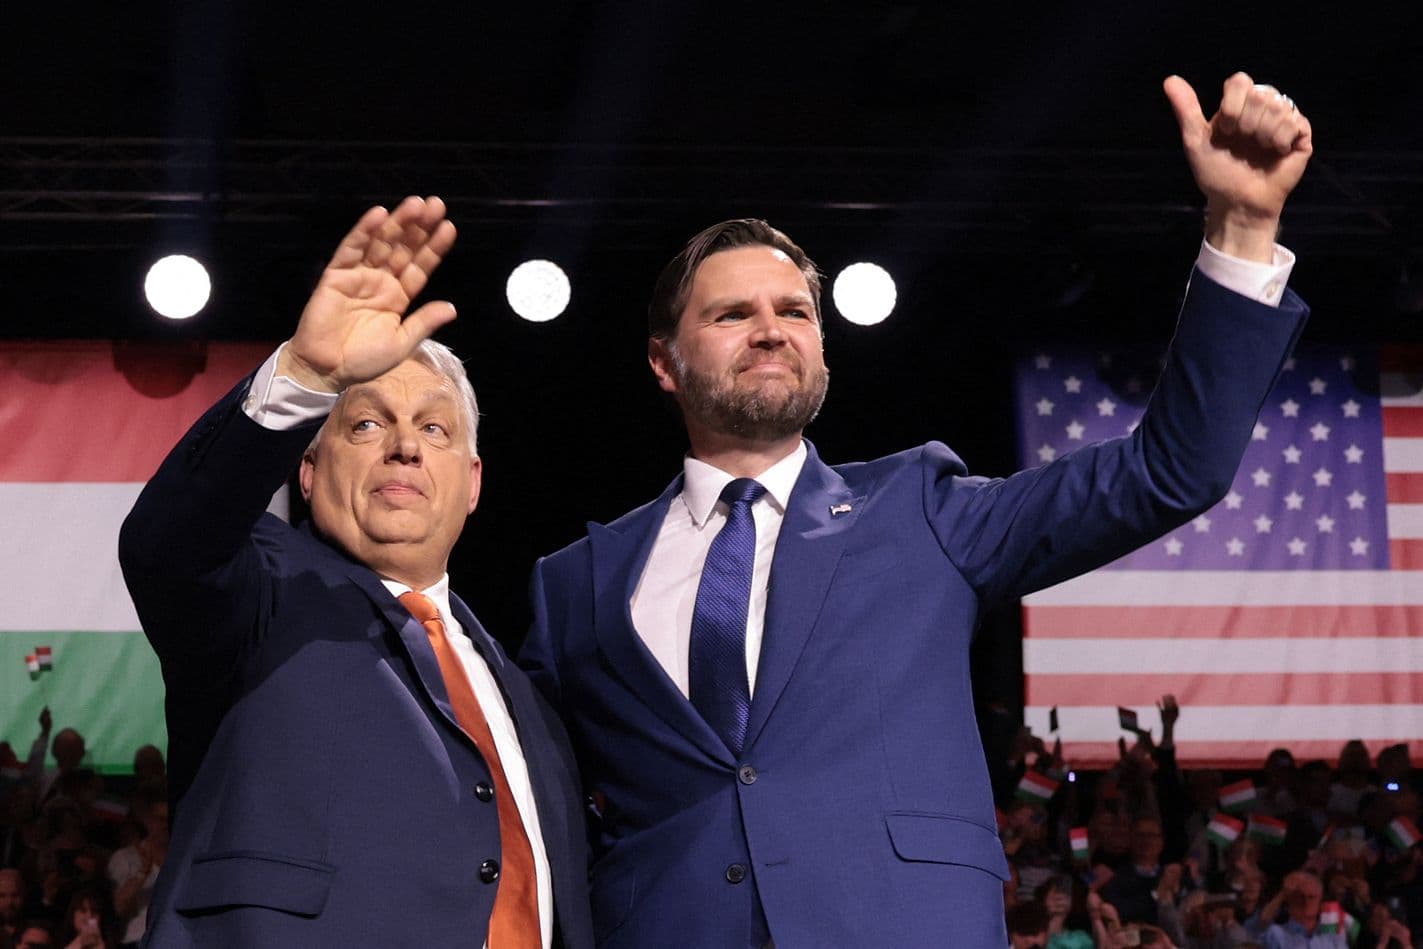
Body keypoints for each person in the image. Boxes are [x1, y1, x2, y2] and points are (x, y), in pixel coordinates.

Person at [520, 72, 1313, 946]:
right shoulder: (576, 583)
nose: (771, 328)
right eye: (731, 314)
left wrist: (1240, 229)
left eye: (794, 310)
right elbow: (524, 800)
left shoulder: (921, 510)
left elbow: (1171, 469)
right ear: (664, 362)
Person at [119, 196, 593, 947]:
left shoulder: (528, 699)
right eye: (366, 422)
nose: (404, 446)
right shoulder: (260, 593)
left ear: (472, 482)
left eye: (433, 428)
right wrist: (306, 373)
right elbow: (169, 546)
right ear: (307, 471)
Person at [1260, 872, 1347, 948]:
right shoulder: (1276, 934)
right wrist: (1283, 893)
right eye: (1300, 897)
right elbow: (1261, 923)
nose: (1306, 902)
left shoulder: (1333, 937)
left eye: (1311, 897)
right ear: (1289, 901)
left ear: (1320, 901)